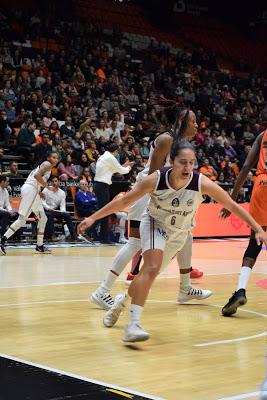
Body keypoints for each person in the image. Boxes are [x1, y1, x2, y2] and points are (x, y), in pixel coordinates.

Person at [78, 141, 267, 343]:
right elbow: (123, 201)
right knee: (151, 267)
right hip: (154, 223)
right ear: (171, 162)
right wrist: (92, 218)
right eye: (182, 162)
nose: (187, 168)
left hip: (178, 234)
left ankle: (120, 302)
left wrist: (257, 228)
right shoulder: (156, 179)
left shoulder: (201, 182)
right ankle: (133, 325)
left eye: (192, 163)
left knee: (147, 275)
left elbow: (231, 204)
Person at [90, 110, 203, 312]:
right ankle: (102, 290)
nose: (197, 125)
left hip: (158, 194)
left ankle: (185, 287)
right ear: (181, 121)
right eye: (193, 121)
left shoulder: (179, 144)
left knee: (185, 233)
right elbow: (154, 174)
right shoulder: (167, 139)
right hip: (148, 193)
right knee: (134, 243)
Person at [221, 128, 267, 316]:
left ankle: (240, 290)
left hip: (262, 186)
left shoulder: (262, 135)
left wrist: (231, 200)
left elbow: (247, 166)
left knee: (254, 243)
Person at [0, 151, 58, 255]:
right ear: (48, 158)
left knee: (43, 218)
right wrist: (47, 187)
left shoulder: (45, 165)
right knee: (22, 219)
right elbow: (36, 176)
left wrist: (39, 191)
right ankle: (2, 240)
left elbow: (36, 179)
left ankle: (39, 245)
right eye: (53, 157)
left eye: (56, 158)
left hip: (33, 192)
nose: (55, 159)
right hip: (31, 191)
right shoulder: (47, 164)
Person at [94, 142, 133, 244]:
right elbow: (122, 171)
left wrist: (124, 166)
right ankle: (90, 231)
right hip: (102, 185)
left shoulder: (104, 157)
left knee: (104, 212)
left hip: (100, 185)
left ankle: (102, 237)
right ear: (115, 151)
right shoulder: (110, 158)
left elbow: (114, 169)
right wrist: (129, 167)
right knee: (104, 211)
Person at [42, 176, 80, 242]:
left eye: (56, 181)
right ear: (51, 183)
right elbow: (42, 201)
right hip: (45, 210)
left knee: (67, 215)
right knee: (49, 215)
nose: (54, 183)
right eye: (53, 181)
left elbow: (62, 206)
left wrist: (63, 212)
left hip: (55, 210)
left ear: (59, 182)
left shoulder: (62, 193)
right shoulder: (46, 189)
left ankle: (74, 235)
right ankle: (51, 235)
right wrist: (47, 208)